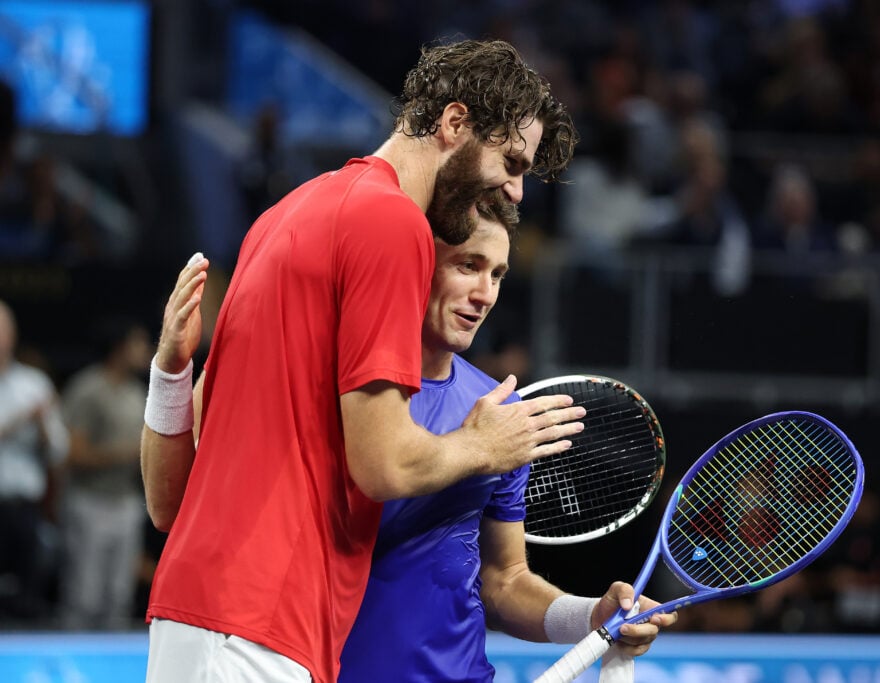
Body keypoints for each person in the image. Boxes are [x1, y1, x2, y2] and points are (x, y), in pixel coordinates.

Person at [141, 39, 580, 683]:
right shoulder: (391, 223)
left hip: (211, 617)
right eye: (512, 160)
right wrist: (486, 445)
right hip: (257, 623)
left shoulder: (284, 215)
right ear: (454, 124)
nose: (516, 190)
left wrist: (169, 375)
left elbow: (164, 502)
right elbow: (383, 465)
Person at [152, 196, 676, 681]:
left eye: (497, 274)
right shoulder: (317, 389)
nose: (485, 294)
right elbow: (169, 504)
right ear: (416, 266)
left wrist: (589, 615)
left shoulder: (500, 411)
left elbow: (503, 579)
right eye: (467, 266)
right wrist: (171, 373)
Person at [59, 317, 152, 629]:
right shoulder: (88, 389)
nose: (145, 350)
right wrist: (125, 453)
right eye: (138, 343)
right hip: (89, 501)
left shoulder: (138, 392)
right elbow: (73, 453)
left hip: (126, 502)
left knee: (119, 595)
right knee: (84, 595)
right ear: (120, 347)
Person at [0, 299, 69, 623]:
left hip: (24, 506)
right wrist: (18, 421)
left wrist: (42, 429)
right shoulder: (26, 401)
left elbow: (59, 450)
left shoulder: (34, 385)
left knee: (27, 597)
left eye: (4, 330)